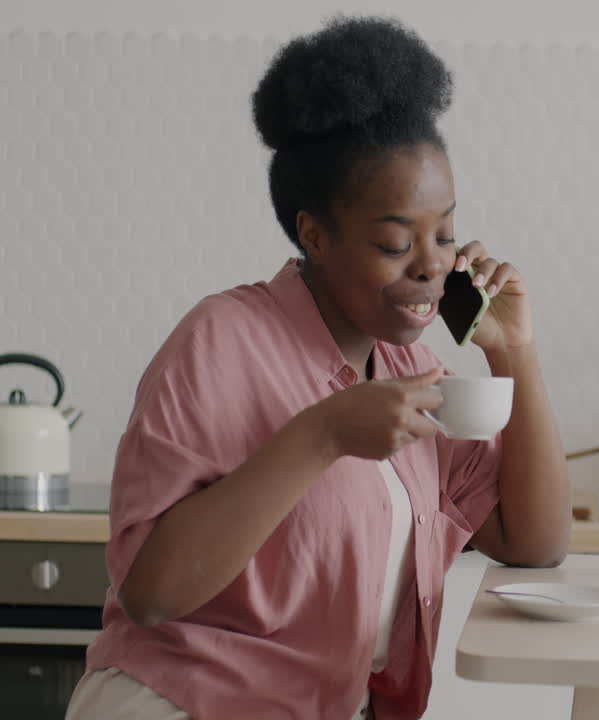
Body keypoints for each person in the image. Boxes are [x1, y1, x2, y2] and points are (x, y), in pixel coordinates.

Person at [65, 16, 570, 720]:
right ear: (315, 235)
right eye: (395, 243)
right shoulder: (221, 341)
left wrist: (513, 352)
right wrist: (321, 435)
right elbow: (149, 595)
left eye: (446, 233)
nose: (432, 265)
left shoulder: (411, 369)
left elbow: (534, 543)